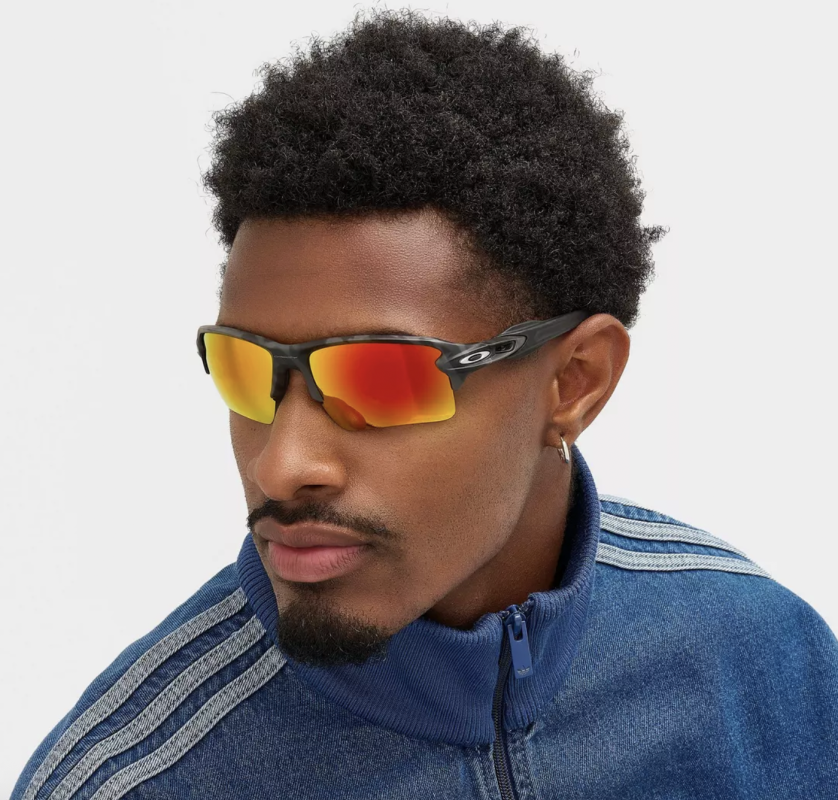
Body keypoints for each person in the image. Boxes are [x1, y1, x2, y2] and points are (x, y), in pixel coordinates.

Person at [12, 8, 837, 799]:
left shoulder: (765, 662)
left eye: (379, 379)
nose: (280, 464)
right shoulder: (132, 782)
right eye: (246, 372)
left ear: (573, 383)